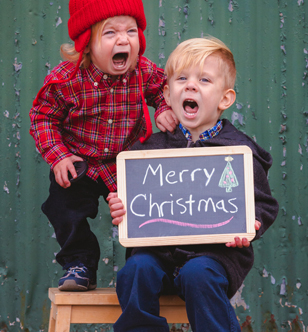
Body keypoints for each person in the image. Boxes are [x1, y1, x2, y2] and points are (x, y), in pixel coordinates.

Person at [107, 36, 279, 331]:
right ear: (167, 92)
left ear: (225, 98)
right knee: (135, 270)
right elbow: (132, 198)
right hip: (157, 253)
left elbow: (262, 204)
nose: (190, 85)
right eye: (182, 78)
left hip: (214, 256)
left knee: (199, 274)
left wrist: (251, 224)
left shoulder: (237, 152)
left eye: (204, 80)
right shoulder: (149, 150)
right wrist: (121, 207)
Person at [29, 0, 178, 291]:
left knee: (142, 210)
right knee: (63, 205)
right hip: (79, 160)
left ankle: (146, 266)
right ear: (87, 43)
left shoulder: (142, 71)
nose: (123, 39)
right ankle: (79, 263)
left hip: (125, 161)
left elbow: (165, 89)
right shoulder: (66, 80)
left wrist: (163, 107)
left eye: (131, 31)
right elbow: (42, 117)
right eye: (110, 33)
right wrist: (58, 156)